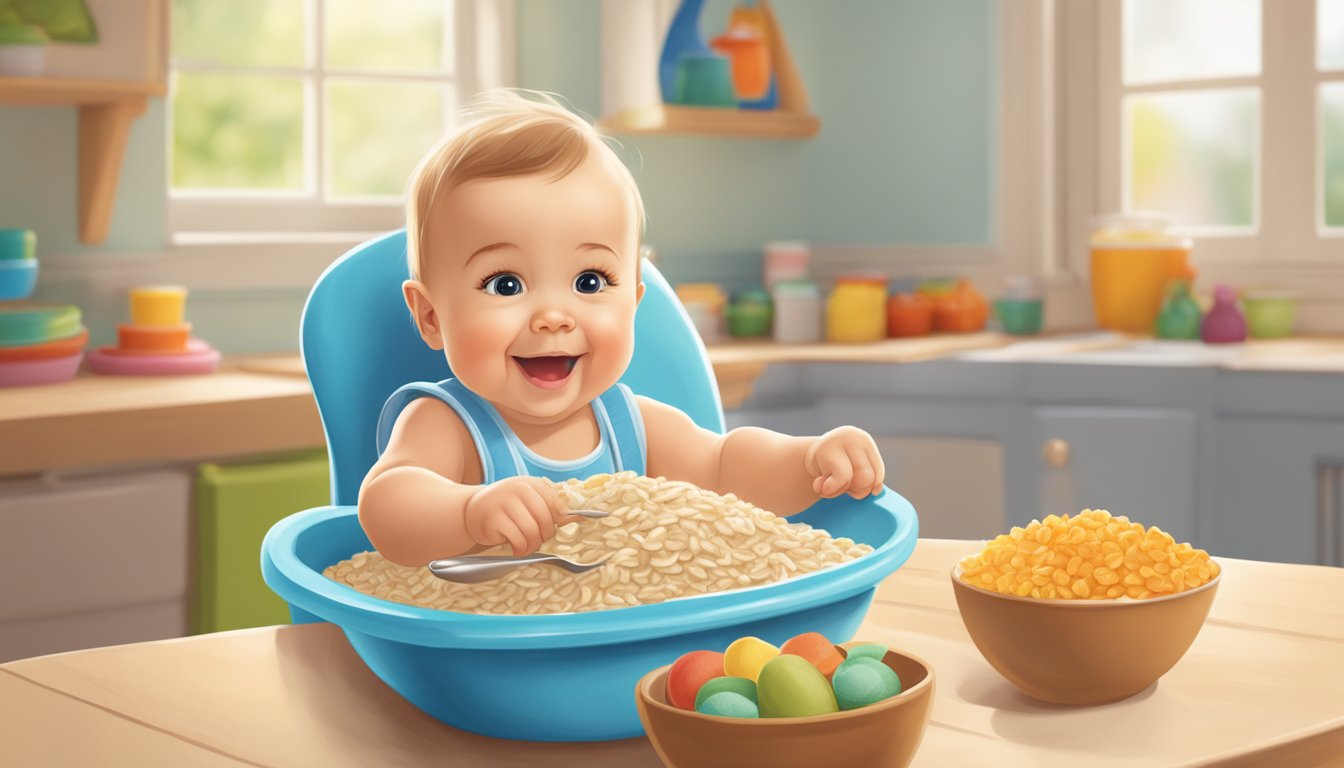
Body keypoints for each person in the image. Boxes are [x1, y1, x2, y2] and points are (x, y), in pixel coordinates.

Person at [360, 90, 886, 567]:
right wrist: (468, 511)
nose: (553, 316)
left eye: (590, 281)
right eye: (505, 284)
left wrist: (808, 459)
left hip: (641, 640)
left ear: (634, 303)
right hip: (500, 653)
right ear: (431, 317)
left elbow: (727, 467)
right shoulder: (446, 424)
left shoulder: (632, 425)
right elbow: (388, 503)